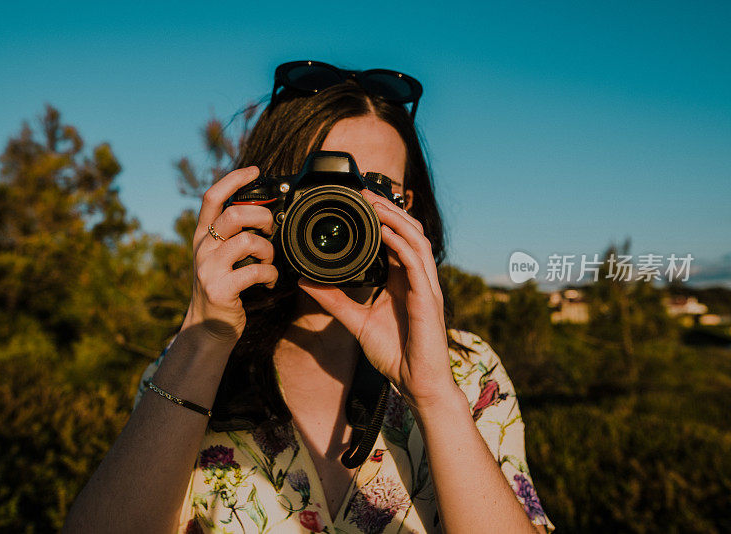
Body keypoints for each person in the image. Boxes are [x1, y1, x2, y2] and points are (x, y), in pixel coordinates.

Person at [64, 60, 554, 534]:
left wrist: (433, 395)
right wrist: (204, 338)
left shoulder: (468, 372)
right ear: (264, 198)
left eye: (374, 191)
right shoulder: (188, 368)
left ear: (411, 210)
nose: (338, 212)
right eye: (317, 188)